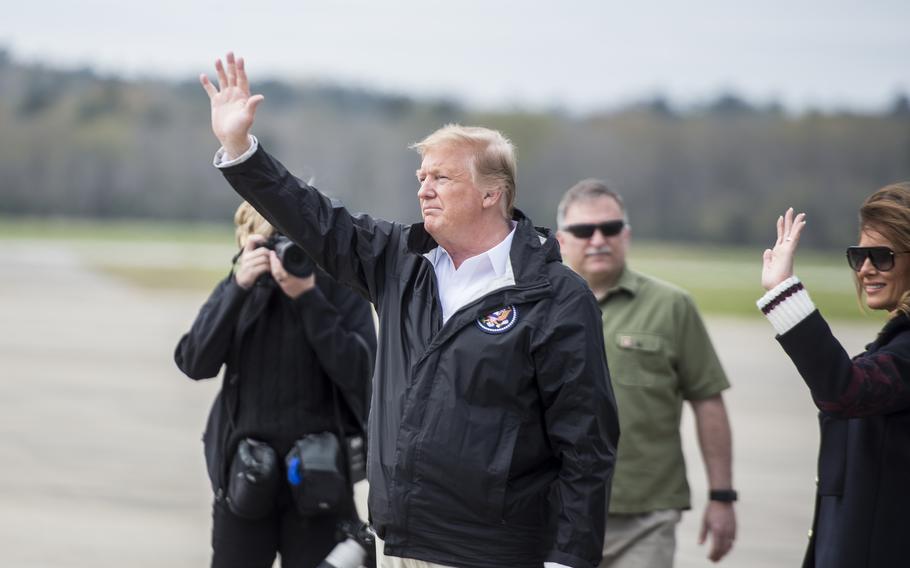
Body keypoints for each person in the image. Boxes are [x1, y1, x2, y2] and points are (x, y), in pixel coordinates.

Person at [197, 52, 619, 568]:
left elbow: (587, 446)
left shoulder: (556, 297)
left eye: (441, 178)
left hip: (492, 555)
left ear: (492, 193)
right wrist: (241, 149)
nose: (423, 188)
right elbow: (312, 217)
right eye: (422, 176)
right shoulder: (399, 260)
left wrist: (568, 560)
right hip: (399, 548)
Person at [174, 201, 377, 568]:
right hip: (247, 477)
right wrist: (239, 287)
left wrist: (308, 297)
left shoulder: (334, 289)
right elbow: (194, 362)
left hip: (321, 480)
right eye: (271, 242)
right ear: (245, 241)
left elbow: (362, 377)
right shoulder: (238, 289)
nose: (284, 253)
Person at [555, 179, 737, 567]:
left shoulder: (672, 306)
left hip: (644, 519)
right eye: (584, 231)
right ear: (560, 241)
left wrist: (722, 497)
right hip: (555, 514)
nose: (599, 239)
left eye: (612, 228)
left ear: (628, 234)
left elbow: (708, 400)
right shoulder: (538, 307)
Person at [758, 183, 910, 568]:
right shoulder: (894, 343)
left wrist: (784, 294)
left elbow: (846, 391)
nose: (866, 269)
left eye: (882, 256)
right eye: (858, 256)